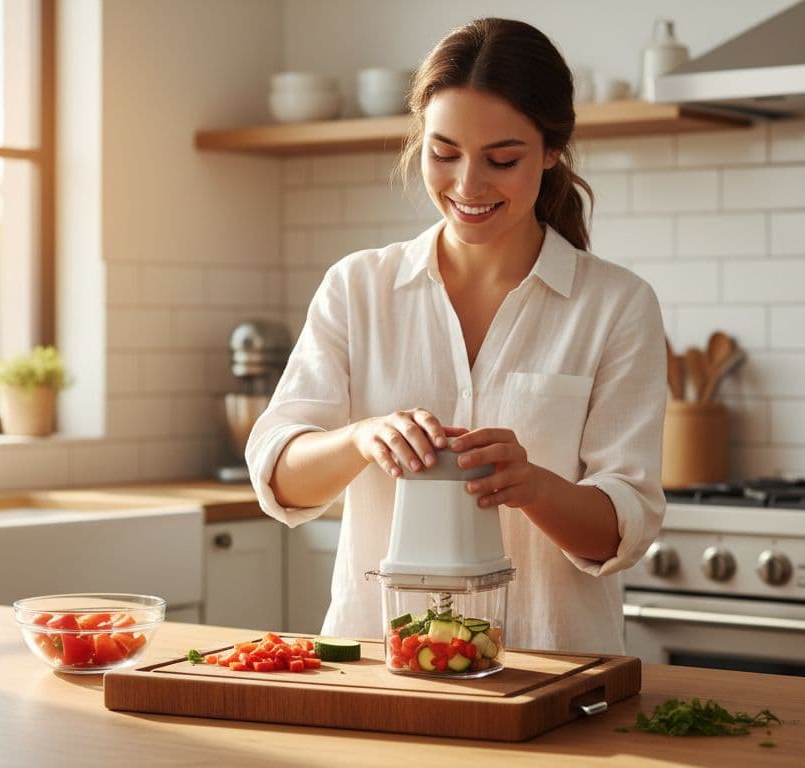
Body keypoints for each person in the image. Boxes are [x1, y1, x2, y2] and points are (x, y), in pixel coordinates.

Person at [246, 17, 665, 655]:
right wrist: (362, 437)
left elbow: (621, 530)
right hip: (379, 676)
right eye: (443, 154)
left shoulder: (615, 304)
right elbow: (279, 477)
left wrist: (534, 485)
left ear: (552, 150)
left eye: (502, 159)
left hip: (553, 678)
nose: (467, 186)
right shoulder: (358, 288)